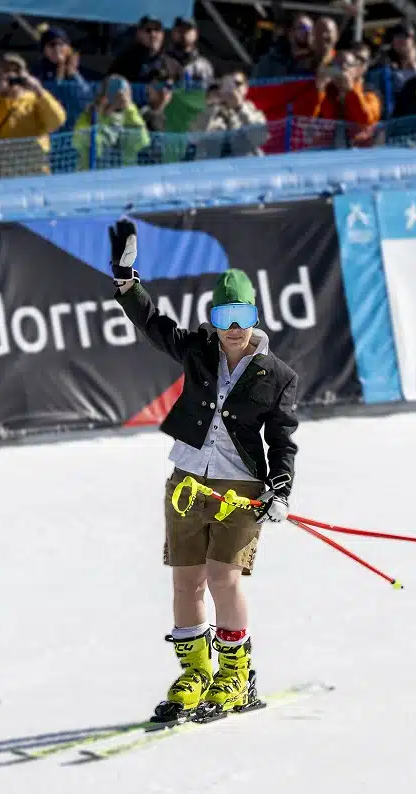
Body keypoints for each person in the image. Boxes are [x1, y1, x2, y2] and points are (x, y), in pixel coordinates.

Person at [108, 219, 298, 722]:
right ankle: (195, 674)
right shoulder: (198, 349)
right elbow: (154, 324)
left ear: (254, 315)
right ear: (212, 318)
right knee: (186, 581)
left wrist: (280, 489)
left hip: (241, 489)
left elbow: (282, 439)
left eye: (242, 315)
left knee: (223, 578)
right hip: (187, 483)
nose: (233, 327)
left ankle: (235, 675)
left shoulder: (277, 375)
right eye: (223, 315)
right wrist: (127, 282)